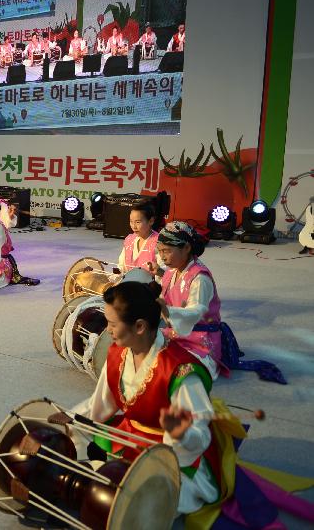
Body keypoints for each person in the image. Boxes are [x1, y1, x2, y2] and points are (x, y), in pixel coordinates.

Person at [68, 280, 219, 516]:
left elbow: (200, 435)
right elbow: (99, 405)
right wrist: (70, 419)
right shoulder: (117, 353)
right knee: (73, 440)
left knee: (148, 498)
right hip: (128, 436)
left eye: (112, 324)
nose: (107, 330)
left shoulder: (181, 371)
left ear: (139, 326)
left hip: (171, 453)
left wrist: (182, 434)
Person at [148, 222, 285, 384]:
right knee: (139, 346)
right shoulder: (172, 271)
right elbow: (172, 289)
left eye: (167, 251)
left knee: (177, 371)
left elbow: (197, 312)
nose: (162, 256)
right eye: (160, 251)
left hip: (199, 340)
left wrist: (168, 311)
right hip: (177, 334)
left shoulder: (200, 278)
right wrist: (158, 275)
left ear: (186, 248)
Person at [117, 201, 162, 273]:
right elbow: (121, 266)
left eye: (138, 222)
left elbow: (164, 273)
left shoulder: (159, 242)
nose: (134, 226)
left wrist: (159, 271)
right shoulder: (129, 239)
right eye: (131, 221)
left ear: (151, 221)